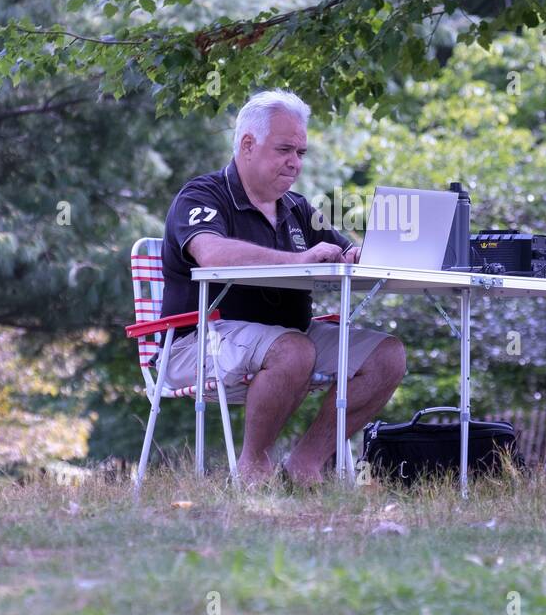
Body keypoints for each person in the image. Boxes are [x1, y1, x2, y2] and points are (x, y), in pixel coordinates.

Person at [156, 89, 406, 486]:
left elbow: (346, 252)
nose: (295, 163)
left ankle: (304, 464)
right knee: (294, 349)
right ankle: (252, 467)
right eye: (285, 149)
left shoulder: (298, 207)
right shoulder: (201, 195)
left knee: (387, 356)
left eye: (301, 153)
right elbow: (212, 254)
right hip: (197, 342)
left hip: (292, 337)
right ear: (248, 144)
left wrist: (360, 255)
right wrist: (298, 259)